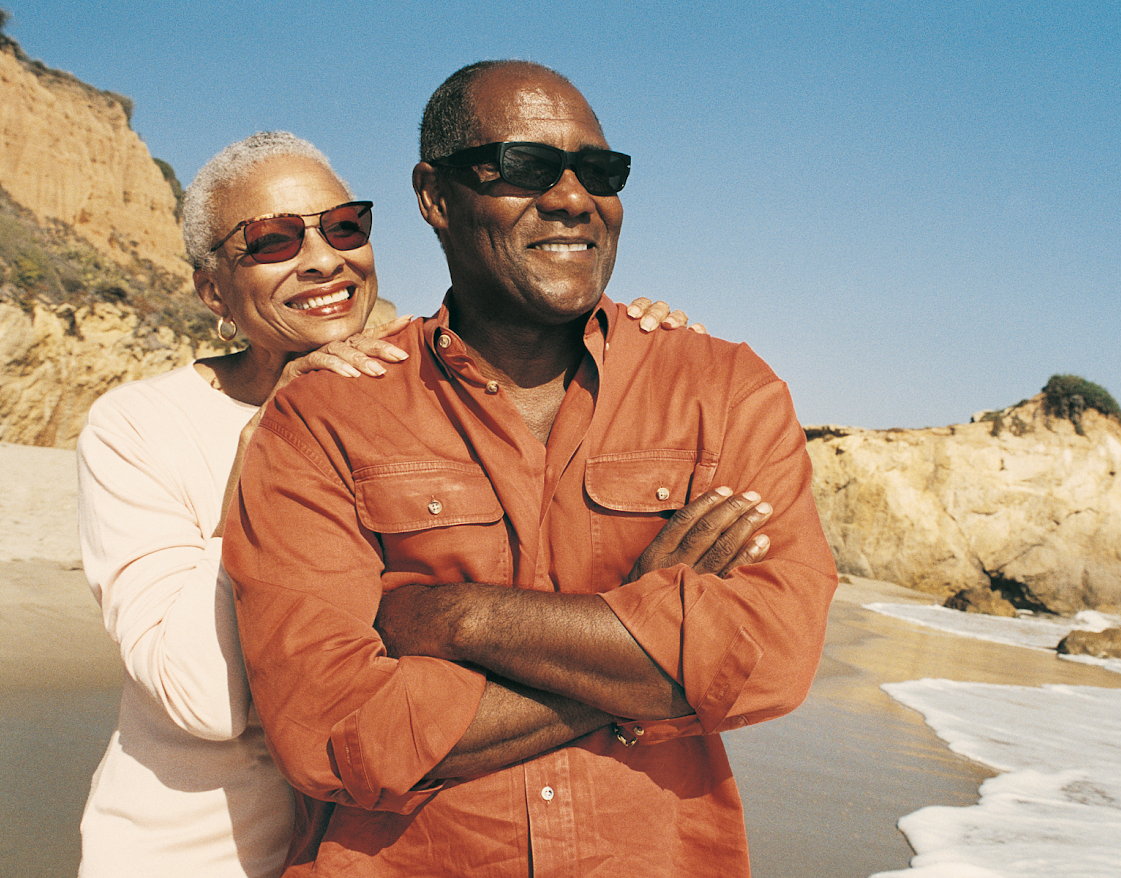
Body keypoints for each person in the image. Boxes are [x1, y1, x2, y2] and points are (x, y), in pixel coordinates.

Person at [225, 61, 837, 876]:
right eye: (526, 167)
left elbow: (768, 660)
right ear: (434, 196)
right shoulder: (324, 418)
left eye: (601, 172)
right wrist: (648, 650)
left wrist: (455, 619)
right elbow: (332, 731)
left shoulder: (723, 391)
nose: (574, 198)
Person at [75, 129, 705, 878]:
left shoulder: (423, 390)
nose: (322, 257)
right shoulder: (139, 427)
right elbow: (202, 699)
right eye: (272, 240)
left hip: (363, 851)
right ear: (213, 290)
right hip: (193, 852)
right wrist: (271, 449)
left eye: (344, 227)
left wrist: (627, 343)